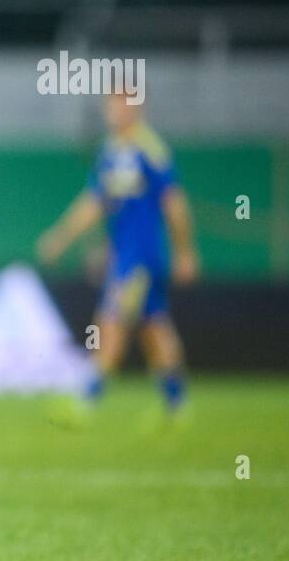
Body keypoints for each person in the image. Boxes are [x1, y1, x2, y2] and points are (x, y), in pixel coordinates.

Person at [37, 91, 199, 425]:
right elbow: (96, 203)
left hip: (142, 257)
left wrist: (185, 251)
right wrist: (63, 236)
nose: (118, 110)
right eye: (113, 104)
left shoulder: (150, 149)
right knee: (155, 328)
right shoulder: (111, 151)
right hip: (126, 255)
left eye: (125, 103)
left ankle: (86, 401)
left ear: (139, 107)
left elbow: (174, 203)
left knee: (110, 322)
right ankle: (177, 404)